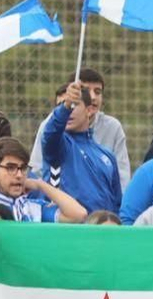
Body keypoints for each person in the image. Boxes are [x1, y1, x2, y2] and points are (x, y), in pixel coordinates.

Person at [0, 137, 87, 222]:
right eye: (11, 168)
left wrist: (40, 185)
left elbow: (79, 214)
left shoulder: (34, 207)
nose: (19, 175)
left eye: (23, 168)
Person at [36, 81, 123, 215]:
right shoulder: (57, 145)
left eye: (74, 104)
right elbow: (50, 133)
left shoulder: (107, 156)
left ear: (89, 110)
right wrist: (65, 107)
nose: (68, 109)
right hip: (68, 231)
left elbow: (117, 203)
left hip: (102, 232)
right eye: (60, 105)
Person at [74, 67, 133, 187]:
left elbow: (123, 176)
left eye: (97, 92)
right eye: (85, 90)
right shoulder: (51, 127)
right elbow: (38, 170)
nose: (93, 97)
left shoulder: (113, 128)